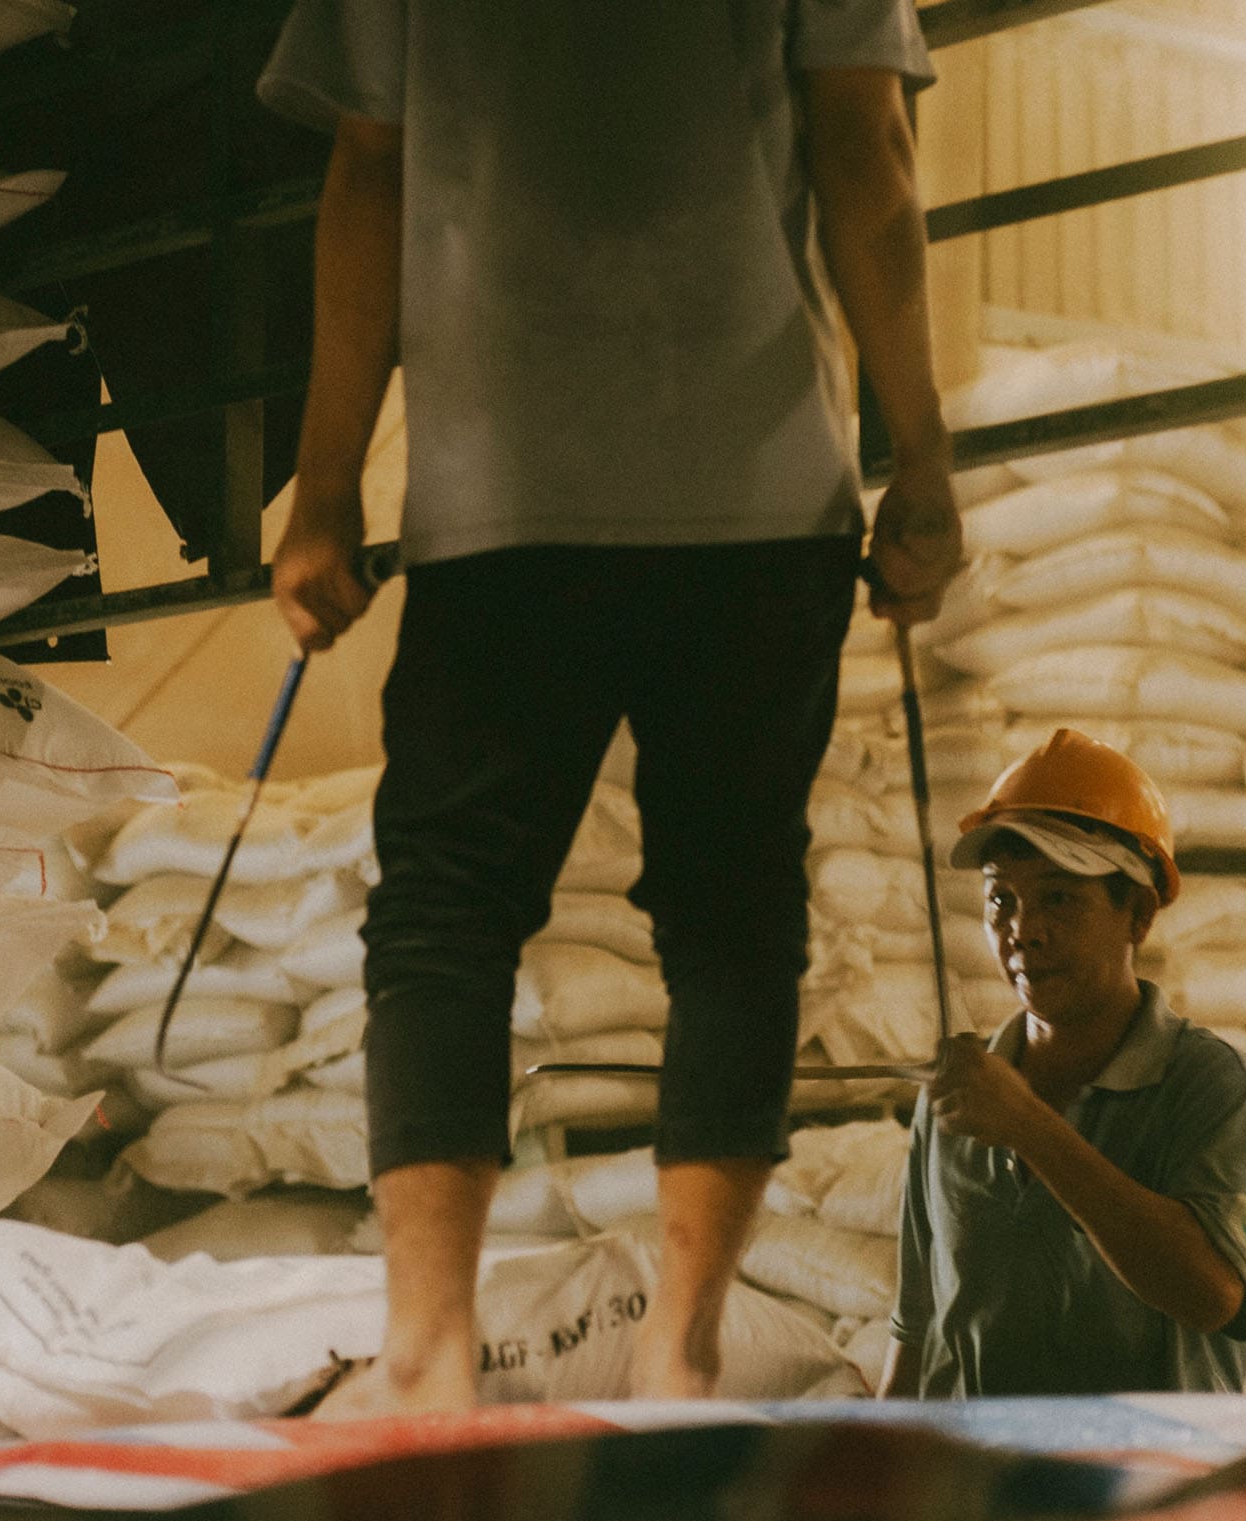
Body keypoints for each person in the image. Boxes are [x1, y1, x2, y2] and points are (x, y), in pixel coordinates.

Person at [255, 1, 966, 1410]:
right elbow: (865, 154)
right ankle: (684, 1344)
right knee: (733, 912)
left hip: (499, 496)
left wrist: (327, 479)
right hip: (755, 498)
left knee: (448, 908)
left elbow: (366, 175)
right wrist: (924, 456)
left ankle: (430, 1354)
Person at [884, 729, 1246, 1398]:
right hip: (978, 1492)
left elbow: (1213, 1293)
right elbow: (919, 1330)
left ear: (1139, 915)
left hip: (1142, 1485)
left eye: (1059, 898)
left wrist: (1032, 1128)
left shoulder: (1208, 1085)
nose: (1024, 930)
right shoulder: (957, 1096)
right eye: (1001, 900)